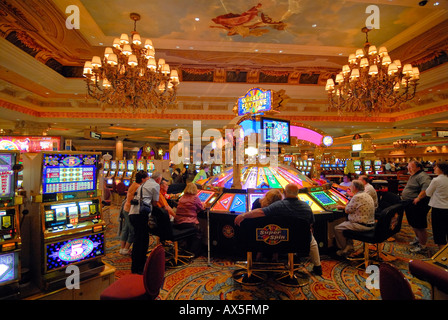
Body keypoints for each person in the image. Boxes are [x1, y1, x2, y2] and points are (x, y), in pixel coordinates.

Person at [235, 183, 322, 276]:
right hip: (300, 241)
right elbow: (311, 223)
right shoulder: (306, 207)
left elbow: (261, 212)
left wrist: (243, 215)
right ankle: (317, 266)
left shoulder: (279, 205)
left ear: (284, 193)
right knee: (311, 240)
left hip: (281, 239)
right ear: (298, 193)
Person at [129, 171, 162, 274]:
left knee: (139, 240)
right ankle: (138, 268)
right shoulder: (155, 185)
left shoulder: (144, 184)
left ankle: (138, 265)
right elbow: (155, 202)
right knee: (141, 242)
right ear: (158, 180)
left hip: (133, 213)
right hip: (140, 215)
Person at [334, 180, 375, 257]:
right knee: (346, 222)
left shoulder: (357, 197)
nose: (349, 187)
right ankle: (350, 245)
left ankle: (344, 249)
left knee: (337, 228)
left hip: (361, 225)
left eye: (351, 186)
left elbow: (347, 210)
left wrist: (341, 207)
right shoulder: (366, 194)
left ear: (355, 188)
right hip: (370, 224)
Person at [414, 161, 448, 250]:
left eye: (435, 167)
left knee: (439, 232)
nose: (434, 168)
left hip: (438, 208)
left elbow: (428, 193)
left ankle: (442, 255)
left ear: (441, 169)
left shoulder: (436, 180)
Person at [401, 160, 432, 253]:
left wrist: (418, 198)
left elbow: (427, 188)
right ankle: (418, 239)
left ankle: (422, 246)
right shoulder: (414, 175)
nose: (408, 168)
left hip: (418, 204)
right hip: (410, 203)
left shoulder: (423, 176)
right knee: (413, 223)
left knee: (419, 225)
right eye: (408, 166)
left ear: (419, 167)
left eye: (411, 167)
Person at [119, 170, 149, 255]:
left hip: (126, 208)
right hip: (130, 210)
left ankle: (122, 248)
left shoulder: (134, 184)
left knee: (126, 229)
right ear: (142, 179)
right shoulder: (138, 187)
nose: (148, 179)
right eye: (147, 178)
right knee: (132, 230)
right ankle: (126, 249)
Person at [173, 183, 205, 256]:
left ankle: (187, 248)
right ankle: (194, 252)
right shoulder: (195, 198)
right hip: (188, 222)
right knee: (199, 231)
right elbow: (201, 208)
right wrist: (203, 204)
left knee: (193, 231)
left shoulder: (182, 198)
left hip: (178, 222)